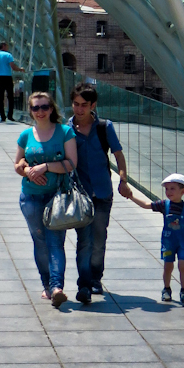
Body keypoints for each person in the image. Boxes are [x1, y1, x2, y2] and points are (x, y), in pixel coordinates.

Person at [13, 92, 78, 308]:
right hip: (30, 196)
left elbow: (71, 163)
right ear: (30, 111)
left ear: (51, 108)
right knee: (39, 241)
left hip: (56, 196)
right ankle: (47, 286)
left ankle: (57, 286)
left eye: (44, 107)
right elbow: (17, 165)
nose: (40, 112)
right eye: (35, 108)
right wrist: (28, 170)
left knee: (55, 241)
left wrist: (47, 166)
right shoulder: (25, 135)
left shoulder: (65, 132)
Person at [68, 83, 130, 304]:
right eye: (76, 104)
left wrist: (123, 180)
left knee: (99, 238)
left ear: (93, 105)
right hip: (80, 195)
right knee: (84, 240)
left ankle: (95, 277)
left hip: (103, 192)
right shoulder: (67, 129)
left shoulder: (104, 127)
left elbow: (118, 156)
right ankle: (84, 285)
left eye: (84, 105)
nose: (79, 109)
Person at [124, 173, 184, 306]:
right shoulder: (164, 205)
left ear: (183, 191)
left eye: (172, 188)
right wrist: (131, 197)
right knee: (168, 266)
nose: (168, 192)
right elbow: (147, 205)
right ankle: (167, 288)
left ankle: (183, 290)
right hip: (168, 243)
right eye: (167, 189)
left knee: (182, 265)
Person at [0, 42, 23, 122]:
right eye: (7, 46)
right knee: (10, 97)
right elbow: (13, 67)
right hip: (7, 77)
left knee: (0, 98)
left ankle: (2, 116)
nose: (8, 47)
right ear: (4, 46)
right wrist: (20, 69)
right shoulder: (8, 55)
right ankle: (10, 115)